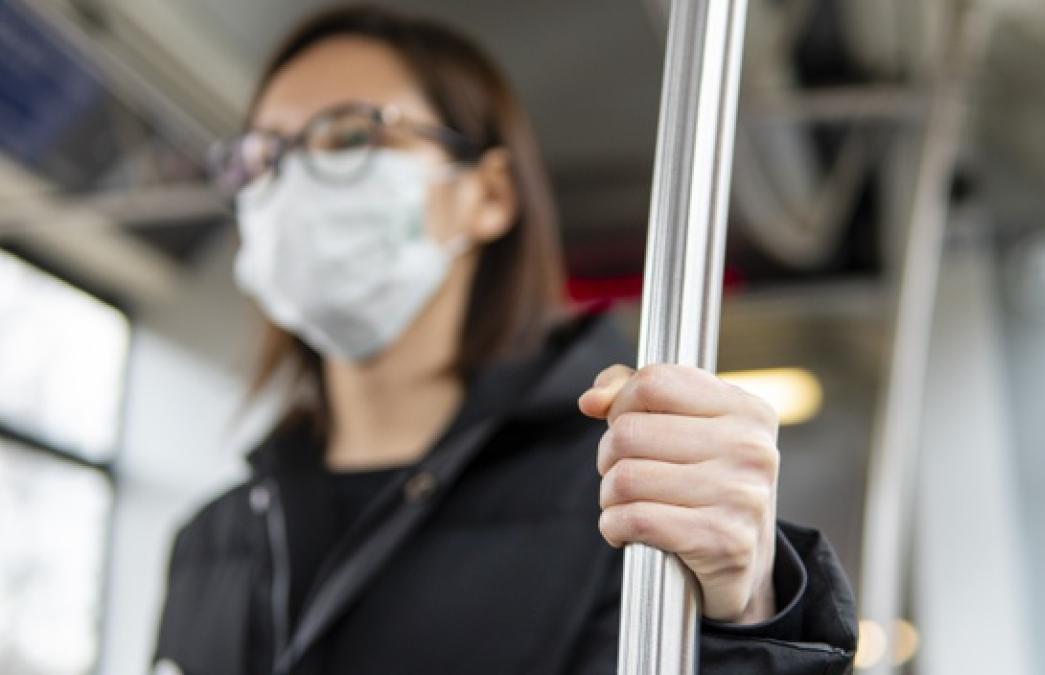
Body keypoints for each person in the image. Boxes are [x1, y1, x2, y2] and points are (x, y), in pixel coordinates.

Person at [152, 5, 857, 674]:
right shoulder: (210, 542)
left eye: (348, 135)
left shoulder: (628, 491)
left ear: (488, 194)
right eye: (261, 155)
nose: (292, 181)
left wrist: (746, 610)